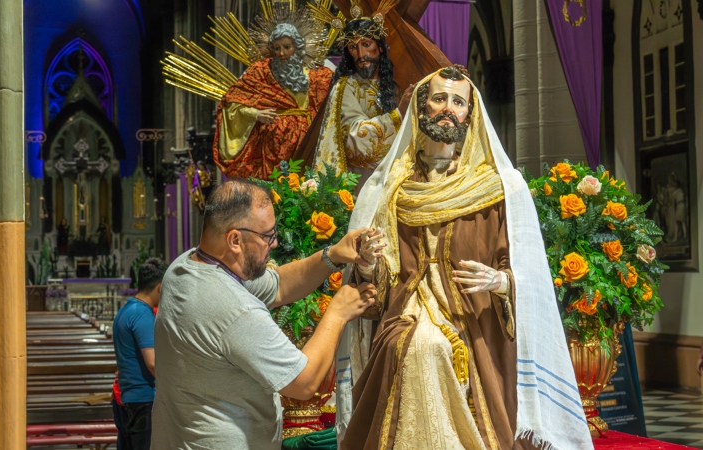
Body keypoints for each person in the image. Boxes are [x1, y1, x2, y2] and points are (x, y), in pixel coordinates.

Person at [336, 66, 593, 449]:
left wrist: (500, 281)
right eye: (439, 98)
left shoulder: (498, 186)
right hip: (410, 309)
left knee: (433, 348)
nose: (447, 108)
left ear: (470, 114)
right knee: (421, 346)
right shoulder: (390, 188)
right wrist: (369, 263)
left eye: (458, 102)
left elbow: (528, 275)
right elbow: (377, 287)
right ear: (421, 110)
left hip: (477, 318)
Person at [150, 179, 383, 449]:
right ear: (235, 239)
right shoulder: (233, 309)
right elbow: (303, 383)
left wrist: (331, 256)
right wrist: (338, 313)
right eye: (267, 236)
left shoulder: (185, 266)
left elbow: (279, 286)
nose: (273, 245)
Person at [212, 21, 333, 180]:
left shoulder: (318, 75)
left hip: (306, 143)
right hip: (271, 147)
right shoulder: (260, 72)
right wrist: (255, 113)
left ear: (297, 47)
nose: (282, 54)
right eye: (277, 48)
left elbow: (332, 105)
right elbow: (230, 105)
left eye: (287, 47)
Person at [310, 13, 414, 189]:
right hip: (361, 182)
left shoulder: (396, 85)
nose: (361, 55)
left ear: (380, 47)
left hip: (396, 177)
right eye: (353, 48)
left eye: (367, 45)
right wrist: (397, 115)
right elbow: (354, 140)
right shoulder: (345, 87)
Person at [112, 257, 167, 450]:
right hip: (143, 401)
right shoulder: (142, 314)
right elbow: (152, 363)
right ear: (160, 287)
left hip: (128, 400)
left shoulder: (126, 310)